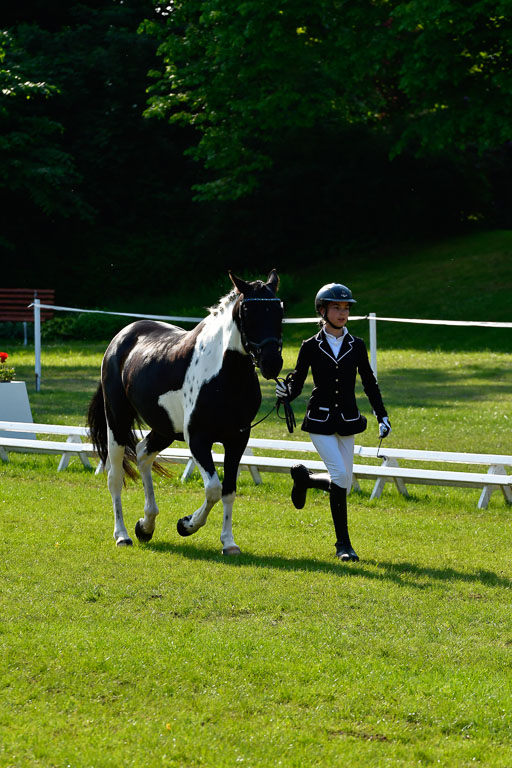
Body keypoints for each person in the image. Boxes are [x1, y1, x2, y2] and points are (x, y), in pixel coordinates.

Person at [276, 283, 391, 562]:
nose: (342, 313)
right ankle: (344, 545)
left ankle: (305, 480)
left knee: (344, 483)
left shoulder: (357, 345)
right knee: (340, 476)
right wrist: (286, 393)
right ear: (322, 311)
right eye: (337, 308)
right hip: (319, 420)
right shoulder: (310, 346)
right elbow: (299, 382)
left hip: (348, 420)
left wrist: (382, 415)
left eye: (346, 308)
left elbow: (369, 382)